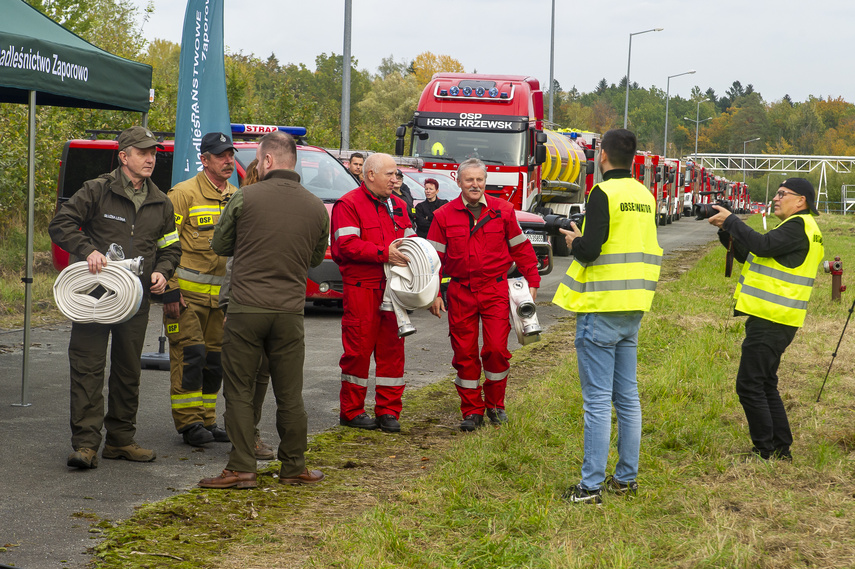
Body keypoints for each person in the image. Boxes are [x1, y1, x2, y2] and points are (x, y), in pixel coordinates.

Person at [199, 131, 329, 489]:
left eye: (258, 158)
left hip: (245, 308)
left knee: (239, 389)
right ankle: (294, 466)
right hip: (289, 312)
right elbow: (316, 258)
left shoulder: (244, 197)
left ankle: (241, 466)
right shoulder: (317, 207)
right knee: (290, 393)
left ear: (268, 161)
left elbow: (220, 244)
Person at [49, 126, 181, 469]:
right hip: (93, 297)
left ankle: (121, 440)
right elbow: (61, 224)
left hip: (133, 300)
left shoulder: (161, 201)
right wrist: (87, 249)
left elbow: (171, 248)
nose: (151, 158)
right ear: (124, 157)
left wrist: (162, 272)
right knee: (87, 368)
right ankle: (86, 445)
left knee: (127, 371)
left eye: (154, 153)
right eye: (143, 152)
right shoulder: (97, 190)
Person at [551, 128, 662, 504]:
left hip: (602, 307)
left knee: (597, 401)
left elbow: (590, 251)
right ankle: (626, 478)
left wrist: (573, 240)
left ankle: (590, 487)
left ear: (602, 156)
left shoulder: (603, 193)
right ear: (633, 159)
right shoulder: (645, 195)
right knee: (627, 397)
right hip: (634, 306)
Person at [708, 178, 824, 461]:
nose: (776, 198)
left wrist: (733, 221)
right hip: (775, 317)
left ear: (801, 201)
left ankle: (765, 450)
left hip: (773, 318)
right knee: (764, 383)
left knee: (749, 384)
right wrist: (726, 232)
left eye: (782, 194)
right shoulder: (798, 228)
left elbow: (760, 244)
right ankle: (780, 447)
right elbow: (755, 257)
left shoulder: (799, 227)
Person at [427, 158, 541, 431]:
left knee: (496, 350)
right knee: (464, 353)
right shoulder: (443, 215)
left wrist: (533, 281)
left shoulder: (503, 211)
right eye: (469, 180)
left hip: (494, 290)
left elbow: (521, 248)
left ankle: (495, 406)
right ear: (459, 182)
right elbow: (433, 260)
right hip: (460, 291)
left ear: (485, 181)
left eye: (479, 179)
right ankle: (471, 411)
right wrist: (434, 293)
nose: (475, 184)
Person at [331, 153, 416, 433]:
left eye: (396, 175)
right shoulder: (349, 204)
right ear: (370, 175)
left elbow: (409, 240)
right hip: (362, 289)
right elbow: (346, 245)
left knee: (393, 350)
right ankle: (351, 411)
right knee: (358, 351)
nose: (396, 180)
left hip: (394, 289)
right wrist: (384, 254)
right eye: (390, 174)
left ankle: (389, 411)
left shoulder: (399, 205)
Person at [162, 132, 237, 447]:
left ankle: (207, 419)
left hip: (220, 302)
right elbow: (164, 243)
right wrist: (168, 289)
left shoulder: (237, 196)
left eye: (230, 155)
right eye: (221, 156)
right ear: (204, 160)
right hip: (186, 298)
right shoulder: (182, 194)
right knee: (190, 355)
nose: (228, 161)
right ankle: (188, 423)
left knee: (215, 361)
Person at [216, 158, 276, 461]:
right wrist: (227, 305)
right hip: (247, 304)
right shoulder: (248, 212)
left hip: (261, 305)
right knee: (246, 375)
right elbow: (232, 265)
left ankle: (247, 433)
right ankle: (245, 435)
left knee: (257, 373)